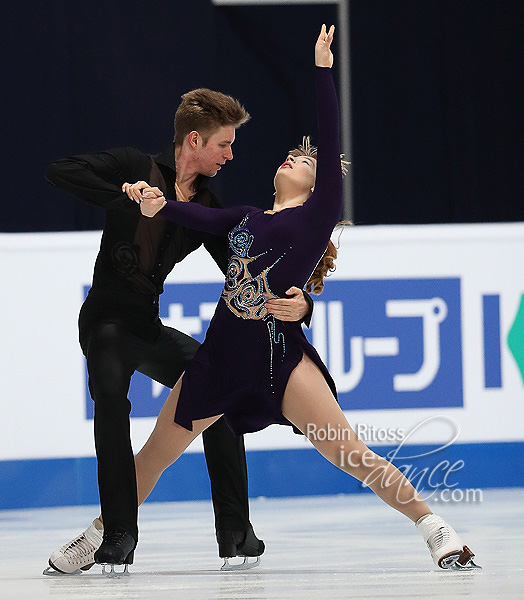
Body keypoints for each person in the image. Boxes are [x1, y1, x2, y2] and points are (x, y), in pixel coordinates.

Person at [121, 24, 480, 572]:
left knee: (351, 454)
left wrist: (320, 68)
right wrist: (155, 205)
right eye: (290, 156)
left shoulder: (315, 218)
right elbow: (194, 213)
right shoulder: (243, 218)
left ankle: (437, 529)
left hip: (279, 360)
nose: (295, 159)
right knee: (153, 455)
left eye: (306, 163)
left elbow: (330, 137)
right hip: (218, 358)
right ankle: (98, 537)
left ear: (319, 187)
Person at [44, 81, 312, 574]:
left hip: (145, 327)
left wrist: (301, 302)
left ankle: (235, 531)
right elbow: (60, 172)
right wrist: (122, 195)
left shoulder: (206, 206)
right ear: (194, 141)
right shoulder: (134, 166)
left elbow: (249, 266)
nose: (230, 155)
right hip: (103, 322)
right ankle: (121, 533)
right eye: (224, 144)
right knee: (110, 403)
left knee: (219, 389)